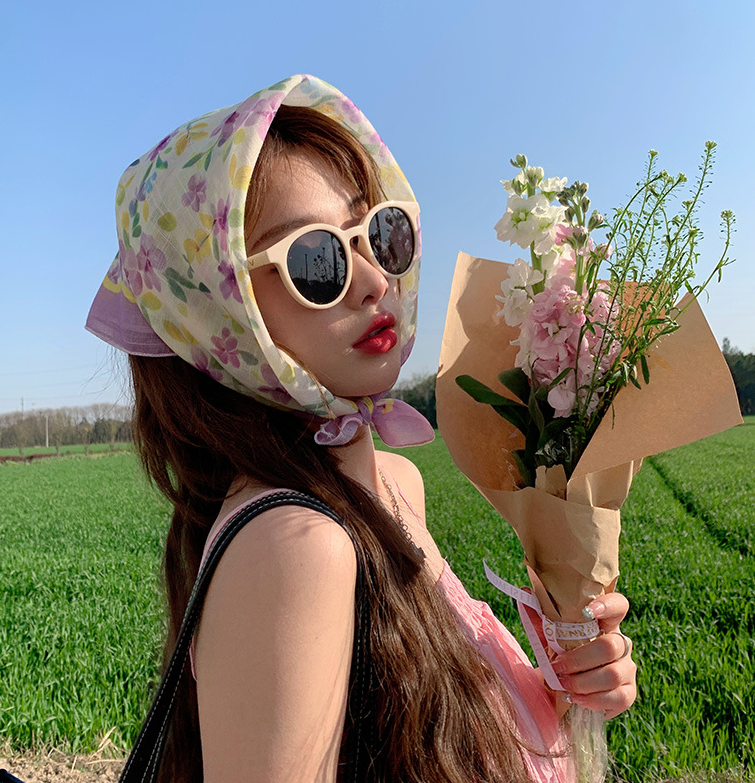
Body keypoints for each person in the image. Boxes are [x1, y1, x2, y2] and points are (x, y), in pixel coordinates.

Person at [86, 74, 637, 783]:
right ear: (217, 314)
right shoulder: (294, 548)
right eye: (316, 259)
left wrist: (563, 686)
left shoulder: (395, 484)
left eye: (380, 232)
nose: (375, 279)